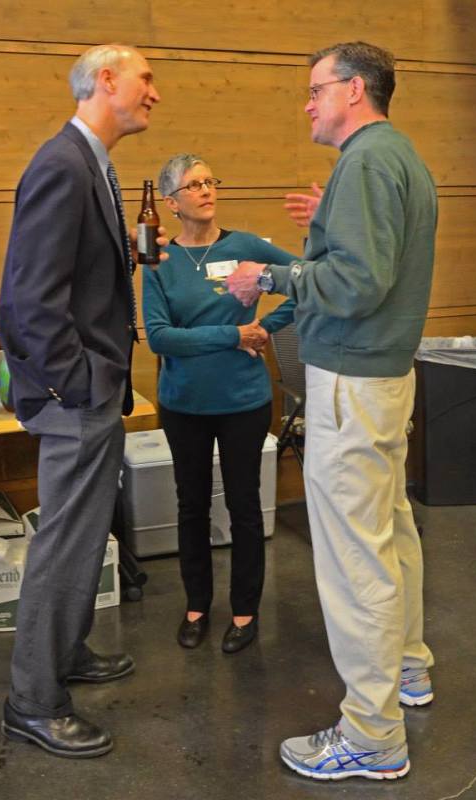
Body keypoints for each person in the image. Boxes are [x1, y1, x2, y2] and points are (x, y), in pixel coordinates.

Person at [226, 41, 436, 781]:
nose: (308, 103)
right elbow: (371, 257)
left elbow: (356, 285)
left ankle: (372, 736)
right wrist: (329, 217)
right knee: (388, 532)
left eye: (317, 90)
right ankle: (408, 669)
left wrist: (271, 276)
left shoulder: (370, 162)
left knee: (355, 561)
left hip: (352, 382)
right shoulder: (392, 157)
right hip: (382, 378)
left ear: (354, 90)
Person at [0, 44, 164, 759]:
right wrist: (80, 384)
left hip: (93, 390)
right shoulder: (62, 164)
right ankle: (32, 700)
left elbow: (74, 274)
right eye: (146, 78)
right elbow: (26, 302)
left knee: (86, 538)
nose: (155, 92)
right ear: (106, 80)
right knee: (64, 546)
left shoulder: (98, 164)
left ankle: (65, 652)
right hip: (77, 395)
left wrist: (120, 252)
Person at [142, 153, 296, 654]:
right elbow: (162, 338)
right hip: (184, 403)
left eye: (211, 181)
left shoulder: (247, 246)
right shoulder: (160, 261)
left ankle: (245, 611)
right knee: (191, 506)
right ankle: (196, 606)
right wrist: (233, 334)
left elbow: (306, 282)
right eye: (194, 185)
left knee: (245, 506)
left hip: (243, 401)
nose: (207, 190)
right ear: (170, 202)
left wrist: (264, 330)